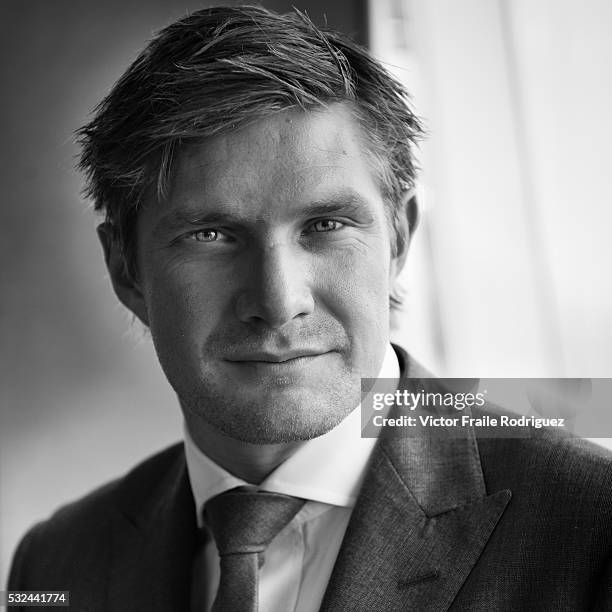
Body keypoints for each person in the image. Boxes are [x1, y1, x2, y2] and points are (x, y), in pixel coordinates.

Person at [8, 5, 612, 611]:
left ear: (398, 239)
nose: (279, 302)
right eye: (211, 236)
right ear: (126, 270)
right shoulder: (55, 561)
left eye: (325, 225)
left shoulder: (594, 523)